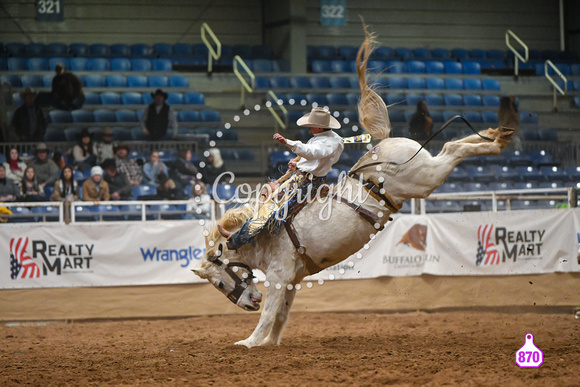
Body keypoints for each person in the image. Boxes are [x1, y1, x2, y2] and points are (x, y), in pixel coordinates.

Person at [219, 106, 344, 250]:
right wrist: (298, 164)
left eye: (312, 125)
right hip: (309, 179)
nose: (309, 128)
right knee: (273, 205)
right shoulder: (332, 140)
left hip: (304, 182)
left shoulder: (326, 143)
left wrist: (288, 143)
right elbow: (315, 158)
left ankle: (239, 239)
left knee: (271, 206)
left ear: (319, 128)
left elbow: (312, 153)